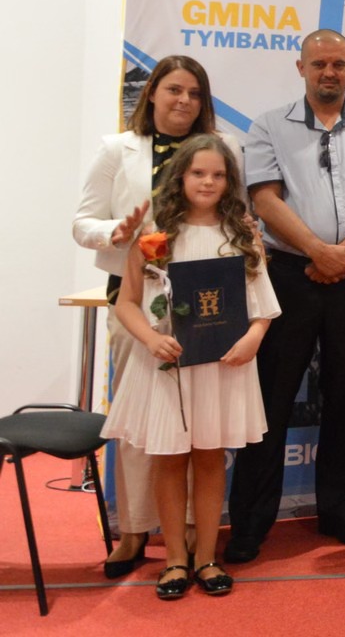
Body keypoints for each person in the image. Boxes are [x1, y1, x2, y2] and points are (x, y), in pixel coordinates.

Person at [226, 30, 345, 562]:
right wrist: (317, 251)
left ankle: (341, 512)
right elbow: (265, 199)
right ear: (301, 68)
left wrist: (343, 254)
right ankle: (250, 524)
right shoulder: (269, 125)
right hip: (288, 275)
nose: (329, 72)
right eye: (319, 64)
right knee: (271, 400)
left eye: (338, 64)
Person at [72, 55, 239, 578]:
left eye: (194, 92)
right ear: (152, 94)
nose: (184, 100)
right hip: (137, 305)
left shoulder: (224, 148)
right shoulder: (116, 149)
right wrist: (115, 234)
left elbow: (235, 217)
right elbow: (82, 222)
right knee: (144, 424)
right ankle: (134, 529)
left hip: (209, 307)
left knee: (201, 424)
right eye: (173, 89)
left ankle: (190, 534)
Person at [104, 136, 279, 599]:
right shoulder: (156, 234)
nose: (208, 182)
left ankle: (206, 556)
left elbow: (262, 306)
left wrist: (253, 337)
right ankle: (175, 560)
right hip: (169, 364)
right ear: (180, 176)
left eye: (218, 175)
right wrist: (150, 338)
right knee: (169, 458)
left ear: (229, 181)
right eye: (199, 173)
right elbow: (126, 303)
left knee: (209, 457)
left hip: (222, 364)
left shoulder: (241, 234)